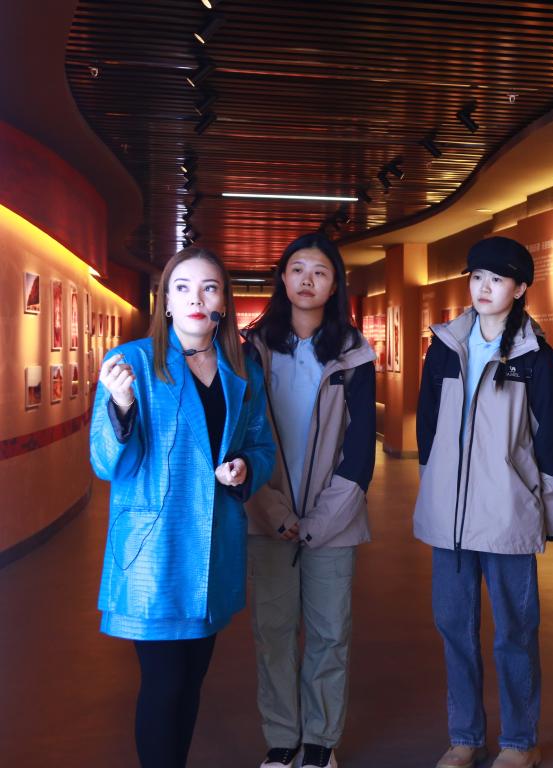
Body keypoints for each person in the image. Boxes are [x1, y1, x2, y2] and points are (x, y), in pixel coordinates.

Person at [90, 246, 276, 768]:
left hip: (214, 549)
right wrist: (121, 407)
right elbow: (105, 463)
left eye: (209, 287)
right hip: (155, 552)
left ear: (223, 303)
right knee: (164, 682)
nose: (196, 298)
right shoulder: (131, 363)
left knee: (192, 678)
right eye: (183, 287)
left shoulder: (243, 371)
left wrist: (245, 468)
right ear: (166, 302)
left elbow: (262, 446)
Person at [414, 236, 553, 768]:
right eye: (477, 277)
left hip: (508, 517)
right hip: (450, 521)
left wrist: (548, 515)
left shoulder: (536, 358)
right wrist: (434, 489)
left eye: (497, 279)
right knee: (454, 630)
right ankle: (465, 736)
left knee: (515, 635)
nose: (483, 288)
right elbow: (429, 428)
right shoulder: (444, 347)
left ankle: (520, 742)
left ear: (520, 288)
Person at [244, 233, 377, 768]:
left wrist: (320, 521)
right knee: (273, 633)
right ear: (282, 278)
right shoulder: (252, 350)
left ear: (334, 284)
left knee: (329, 632)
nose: (307, 280)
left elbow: (360, 450)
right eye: (297, 269)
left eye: (319, 272)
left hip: (335, 520)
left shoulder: (354, 353)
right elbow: (239, 437)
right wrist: (274, 512)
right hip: (266, 515)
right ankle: (282, 738)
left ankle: (321, 741)